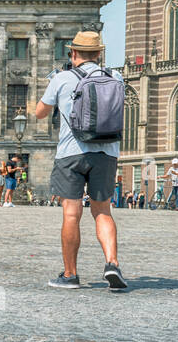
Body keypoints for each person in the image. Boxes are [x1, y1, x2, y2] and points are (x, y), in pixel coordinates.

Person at [34, 29, 127, 291]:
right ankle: (112, 263)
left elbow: (40, 113)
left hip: (71, 153)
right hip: (106, 152)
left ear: (73, 53)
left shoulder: (63, 78)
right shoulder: (115, 77)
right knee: (102, 211)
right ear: (99, 54)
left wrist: (54, 88)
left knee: (72, 213)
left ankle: (70, 274)